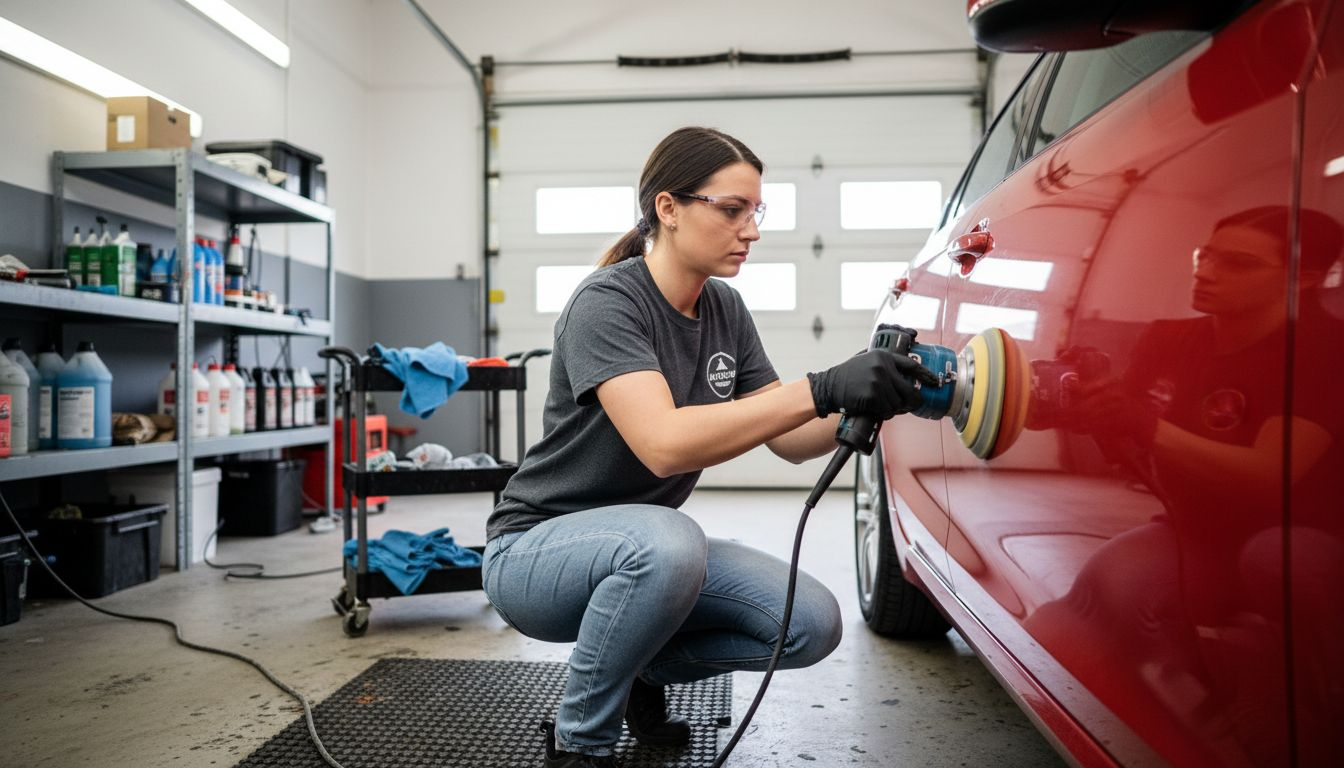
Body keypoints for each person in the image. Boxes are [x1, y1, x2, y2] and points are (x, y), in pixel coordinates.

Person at [482, 126, 936, 767]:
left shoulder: (724, 307)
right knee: (670, 541)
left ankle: (639, 672)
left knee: (810, 623)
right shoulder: (607, 303)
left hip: (645, 550)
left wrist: (867, 398)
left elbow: (789, 438)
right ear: (668, 208)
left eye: (756, 212)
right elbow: (663, 445)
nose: (751, 231)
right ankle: (580, 742)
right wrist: (821, 386)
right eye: (731, 210)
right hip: (535, 554)